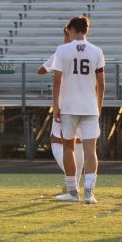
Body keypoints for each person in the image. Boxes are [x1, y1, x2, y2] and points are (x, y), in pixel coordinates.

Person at [50, 16, 105, 204]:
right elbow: (101, 83)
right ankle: (89, 193)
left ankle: (73, 192)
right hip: (90, 106)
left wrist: (56, 105)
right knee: (91, 149)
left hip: (69, 106)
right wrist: (98, 106)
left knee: (68, 146)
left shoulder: (62, 49)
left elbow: (57, 79)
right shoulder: (97, 51)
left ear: (72, 29)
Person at [38, 26, 85, 192]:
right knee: (78, 141)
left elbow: (41, 70)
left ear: (69, 36)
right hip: (84, 102)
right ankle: (75, 183)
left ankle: (70, 180)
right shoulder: (90, 51)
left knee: (58, 139)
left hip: (65, 101)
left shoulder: (62, 52)